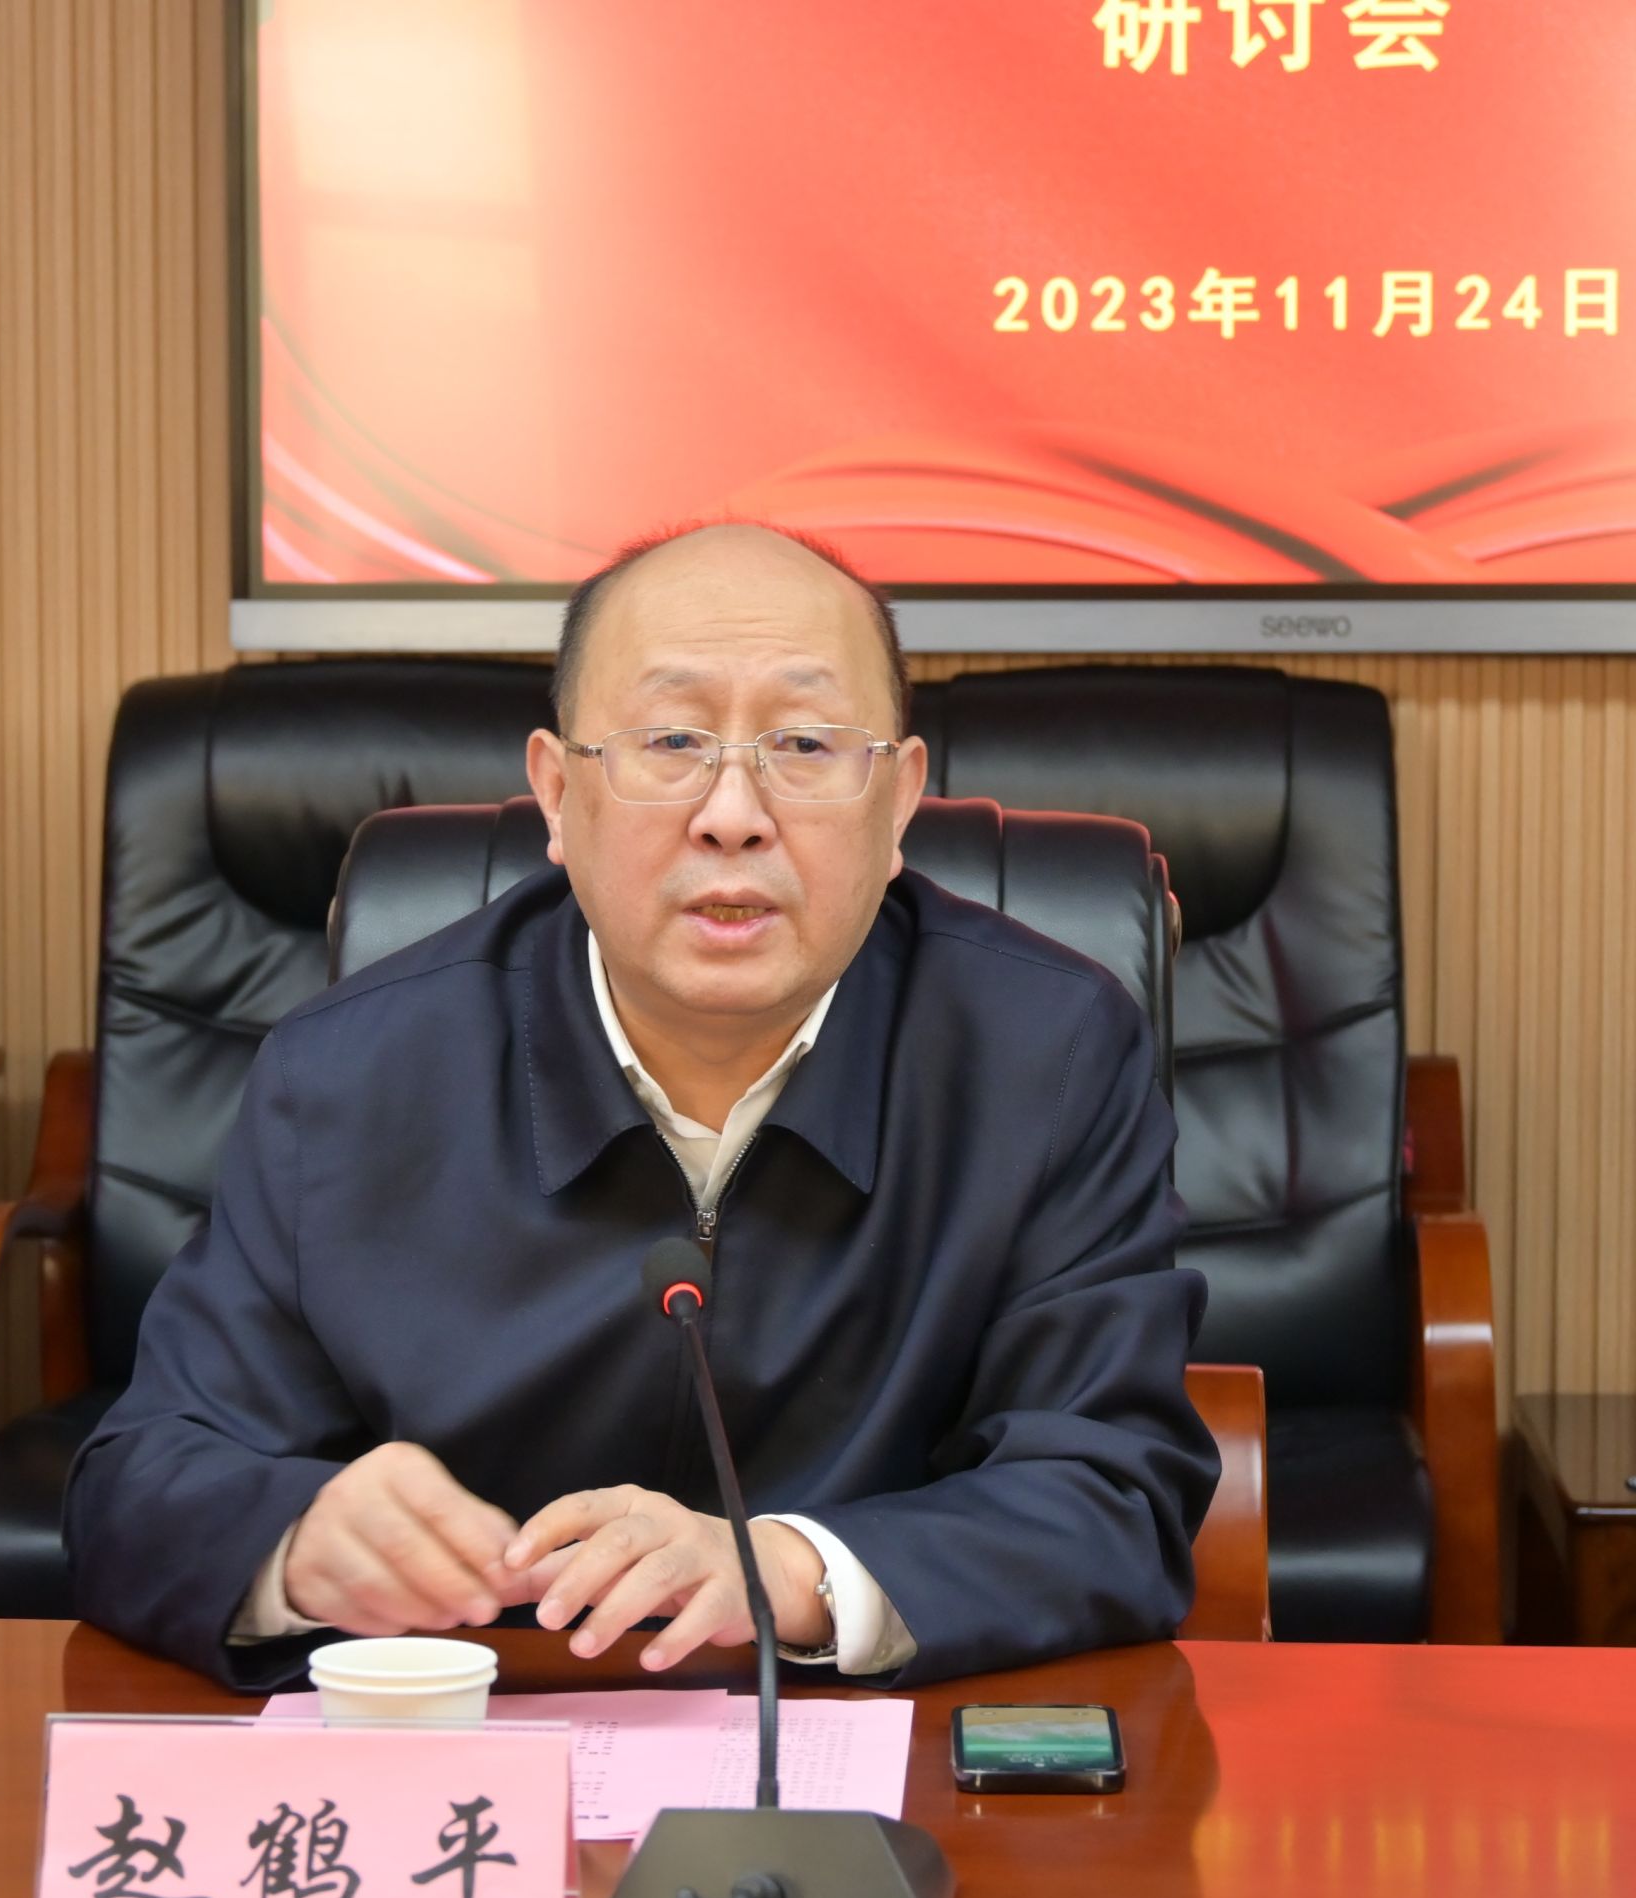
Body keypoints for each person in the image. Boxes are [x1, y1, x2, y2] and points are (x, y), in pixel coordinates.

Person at [65, 523, 1217, 1690]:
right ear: (557, 793)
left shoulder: (1045, 1053)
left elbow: (1111, 1495)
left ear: (899, 799)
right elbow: (140, 1479)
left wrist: (785, 1570)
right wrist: (296, 1542)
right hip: (468, 1739)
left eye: (803, 743)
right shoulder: (348, 1075)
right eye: (671, 740)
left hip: (872, 1744)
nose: (733, 814)